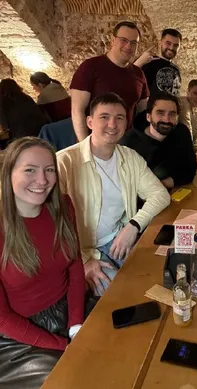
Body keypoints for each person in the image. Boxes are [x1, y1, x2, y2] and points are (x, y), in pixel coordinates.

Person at [57, 93, 170, 295]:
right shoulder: (64, 162)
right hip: (81, 251)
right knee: (122, 296)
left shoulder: (130, 157)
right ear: (89, 122)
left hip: (117, 239)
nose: (112, 124)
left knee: (155, 278)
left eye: (119, 118)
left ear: (126, 123)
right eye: (104, 117)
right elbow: (53, 223)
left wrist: (133, 225)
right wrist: (84, 261)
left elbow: (160, 195)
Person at [0, 137, 85, 389]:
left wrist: (76, 326)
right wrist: (63, 345)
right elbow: (3, 318)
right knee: (72, 378)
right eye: (30, 170)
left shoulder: (63, 205)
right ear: (9, 174)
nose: (42, 180)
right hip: (19, 336)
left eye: (49, 170)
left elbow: (75, 268)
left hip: (67, 311)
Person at [70, 21, 149, 141]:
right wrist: (84, 146)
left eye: (134, 42)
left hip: (125, 143)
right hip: (96, 142)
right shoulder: (90, 67)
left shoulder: (138, 73)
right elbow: (77, 110)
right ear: (113, 40)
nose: (128, 46)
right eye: (124, 40)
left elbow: (145, 111)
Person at [122, 92, 197, 189]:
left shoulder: (181, 132)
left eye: (172, 114)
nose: (166, 120)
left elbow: (191, 170)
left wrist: (161, 184)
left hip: (176, 193)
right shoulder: (128, 143)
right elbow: (127, 186)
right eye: (160, 113)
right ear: (148, 116)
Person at [134, 28, 182, 97]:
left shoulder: (176, 69)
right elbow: (128, 80)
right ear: (160, 42)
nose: (171, 48)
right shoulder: (147, 61)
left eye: (176, 45)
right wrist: (138, 63)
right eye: (168, 43)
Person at [179, 79, 197, 153]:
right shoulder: (182, 103)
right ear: (188, 92)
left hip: (189, 150)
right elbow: (187, 132)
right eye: (195, 93)